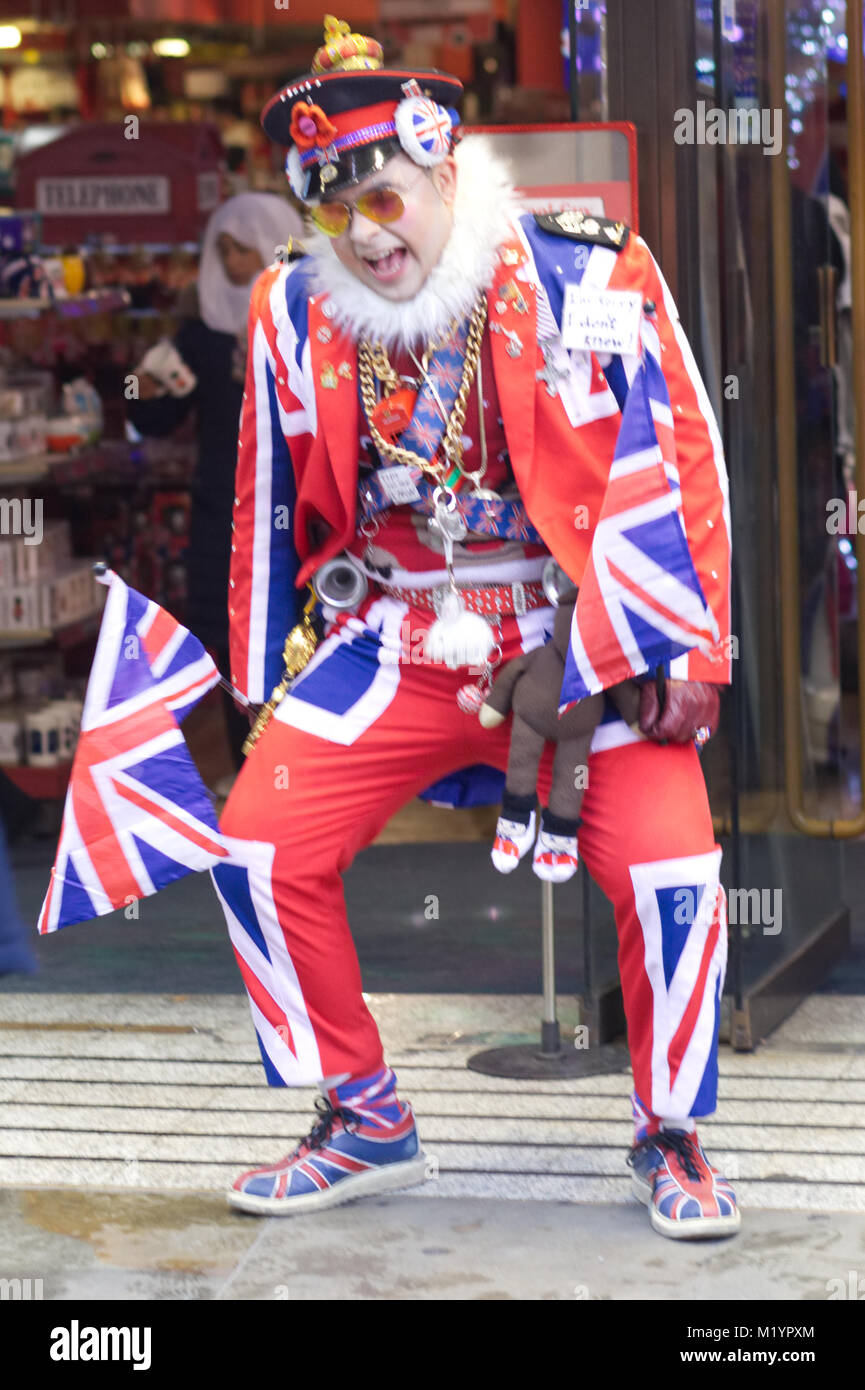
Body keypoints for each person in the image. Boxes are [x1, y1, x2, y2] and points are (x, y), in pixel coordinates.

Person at [215, 15, 736, 1240]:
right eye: (338, 214)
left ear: (445, 172)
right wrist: (253, 673)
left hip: (573, 641)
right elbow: (261, 490)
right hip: (392, 634)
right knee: (255, 846)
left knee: (673, 873)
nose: (369, 236)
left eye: (387, 199)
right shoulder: (291, 308)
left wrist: (688, 649)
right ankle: (362, 1114)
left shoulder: (587, 268)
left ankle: (670, 1130)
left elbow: (682, 452)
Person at [126, 193, 304, 774]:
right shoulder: (201, 335)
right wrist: (139, 391)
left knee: (305, 631)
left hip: (300, 508)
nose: (230, 263)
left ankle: (304, 764)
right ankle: (250, 769)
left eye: (241, 249)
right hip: (222, 515)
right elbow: (151, 416)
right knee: (232, 641)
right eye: (221, 250)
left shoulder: (306, 313)